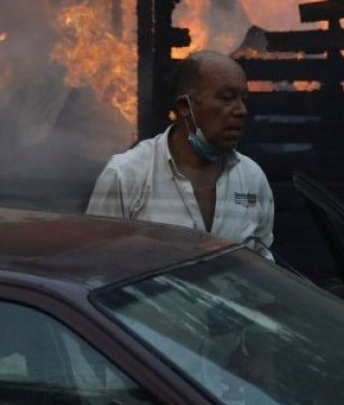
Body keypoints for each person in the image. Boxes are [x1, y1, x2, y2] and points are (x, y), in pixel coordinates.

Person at [86, 51, 274, 260]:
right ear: (186, 106)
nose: (241, 110)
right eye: (227, 98)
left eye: (243, 100)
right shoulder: (125, 175)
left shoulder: (252, 178)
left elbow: (263, 261)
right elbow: (97, 266)